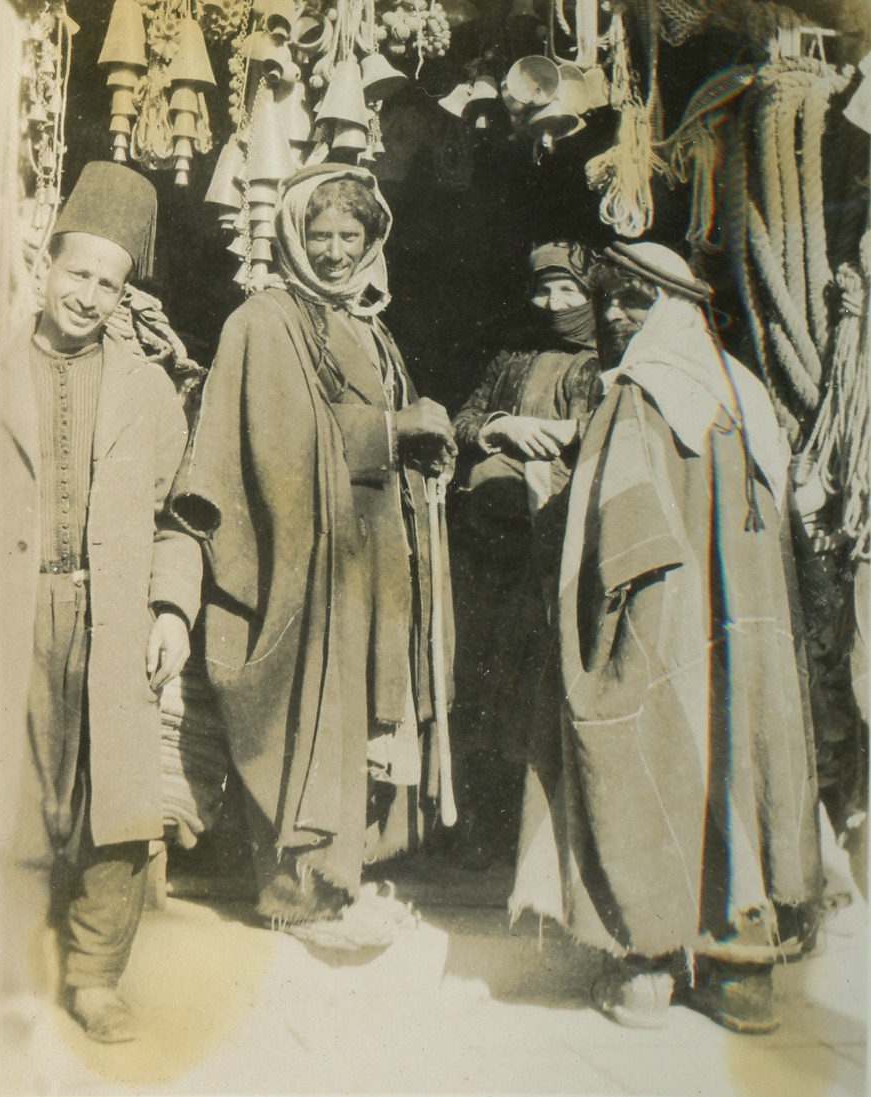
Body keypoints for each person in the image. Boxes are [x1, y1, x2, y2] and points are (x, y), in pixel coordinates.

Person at [510, 241, 823, 1034]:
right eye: (611, 299)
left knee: (648, 763)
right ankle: (742, 971)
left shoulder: (637, 394)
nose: (615, 315)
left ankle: (646, 963)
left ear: (674, 310)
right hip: (745, 635)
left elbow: (622, 530)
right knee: (738, 762)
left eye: (634, 302)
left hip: (664, 627)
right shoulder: (743, 392)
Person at [171, 163, 457, 945]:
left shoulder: (369, 326)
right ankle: (295, 891)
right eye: (320, 234)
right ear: (293, 236)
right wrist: (394, 434)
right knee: (305, 713)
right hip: (303, 560)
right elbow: (276, 445)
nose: (334, 252)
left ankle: (340, 877)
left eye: (350, 235)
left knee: (358, 714)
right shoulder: (264, 320)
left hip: (370, 557)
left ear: (372, 239)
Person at [12, 161, 202, 1044]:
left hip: (112, 616)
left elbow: (181, 520)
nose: (88, 295)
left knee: (114, 805)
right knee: (13, 793)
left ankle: (94, 978)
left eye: (109, 282)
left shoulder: (151, 391)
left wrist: (171, 610)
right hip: (14, 616)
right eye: (78, 272)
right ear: (46, 266)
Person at [449, 242, 601, 867]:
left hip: (555, 547)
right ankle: (477, 828)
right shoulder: (511, 357)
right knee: (479, 679)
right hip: (490, 545)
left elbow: (611, 431)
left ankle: (535, 838)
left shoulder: (606, 363)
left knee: (535, 682)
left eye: (569, 292)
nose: (553, 304)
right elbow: (464, 419)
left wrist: (568, 434)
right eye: (544, 291)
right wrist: (499, 427)